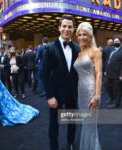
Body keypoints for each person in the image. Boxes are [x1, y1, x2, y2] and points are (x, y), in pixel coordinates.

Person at [43, 16, 80, 150]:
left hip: (72, 92)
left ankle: (71, 142)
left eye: (70, 27)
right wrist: (50, 96)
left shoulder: (77, 48)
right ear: (59, 28)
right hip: (56, 93)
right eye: (64, 26)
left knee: (72, 121)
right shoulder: (50, 48)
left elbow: (77, 72)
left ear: (73, 29)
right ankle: (54, 146)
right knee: (54, 123)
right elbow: (45, 74)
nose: (67, 29)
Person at [74, 22, 102, 150]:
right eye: (79, 35)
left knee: (90, 125)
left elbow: (99, 74)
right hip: (81, 91)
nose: (81, 37)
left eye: (84, 34)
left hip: (91, 92)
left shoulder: (95, 51)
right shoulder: (80, 53)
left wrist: (97, 96)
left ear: (90, 36)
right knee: (85, 124)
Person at [104, 35, 122, 108]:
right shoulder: (112, 49)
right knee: (106, 85)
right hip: (108, 73)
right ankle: (112, 98)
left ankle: (117, 103)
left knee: (117, 89)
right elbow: (108, 60)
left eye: (117, 41)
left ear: (121, 42)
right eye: (114, 41)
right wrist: (106, 70)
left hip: (117, 74)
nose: (115, 43)